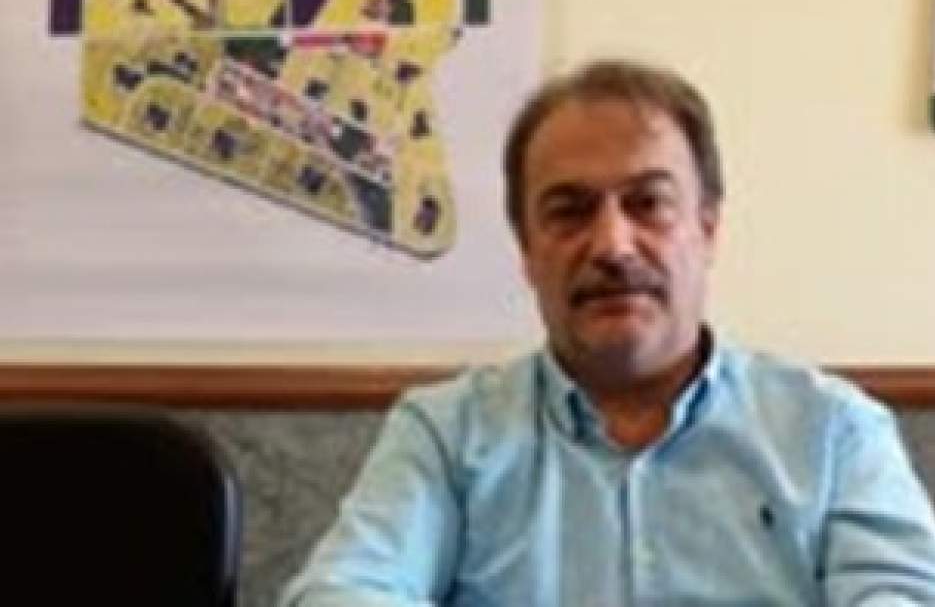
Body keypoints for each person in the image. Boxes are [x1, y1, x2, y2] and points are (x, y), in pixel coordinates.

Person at [280, 59, 935, 606]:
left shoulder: (834, 433)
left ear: (707, 229)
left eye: (648, 204)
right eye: (569, 212)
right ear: (526, 250)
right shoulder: (446, 435)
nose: (613, 244)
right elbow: (343, 590)